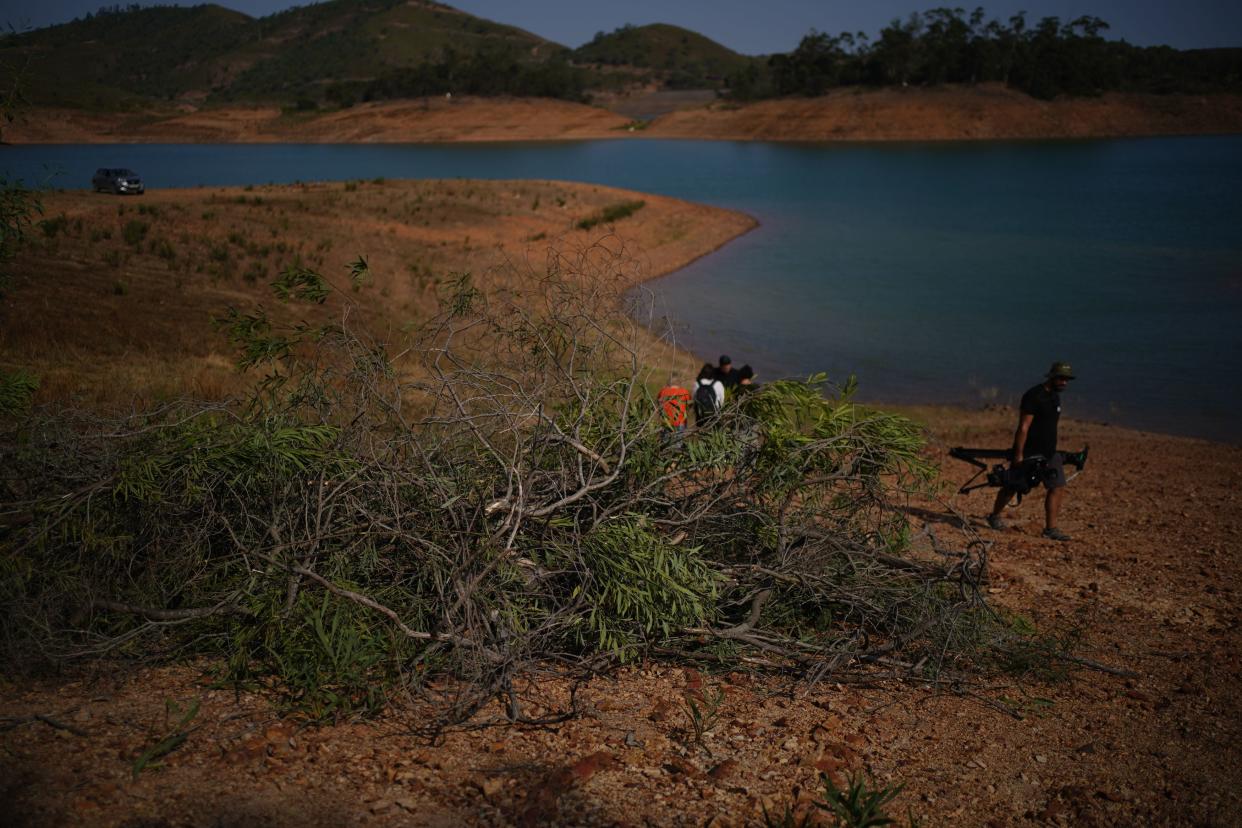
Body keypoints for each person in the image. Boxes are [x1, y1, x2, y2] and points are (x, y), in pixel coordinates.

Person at [987, 361, 1076, 541]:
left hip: (1050, 453)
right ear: (1051, 376)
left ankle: (1051, 529)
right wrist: (1019, 454)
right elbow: (1023, 427)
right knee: (1012, 486)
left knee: (1057, 487)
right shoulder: (1034, 396)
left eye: (1067, 380)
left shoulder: (1055, 397)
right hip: (1029, 452)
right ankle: (994, 516)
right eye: (1061, 379)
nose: (1064, 383)